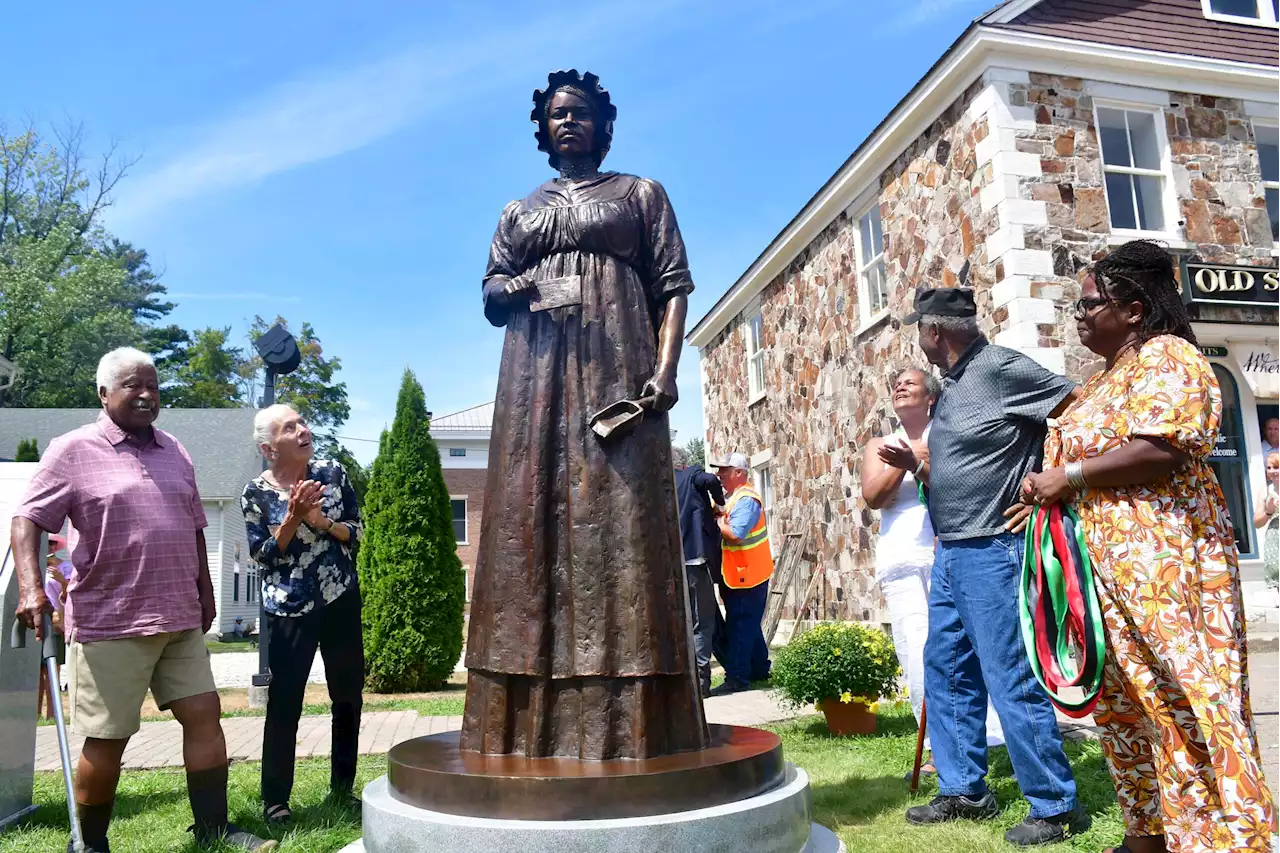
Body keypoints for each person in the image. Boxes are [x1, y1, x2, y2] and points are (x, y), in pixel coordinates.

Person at [461, 70, 708, 759]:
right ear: (543, 130)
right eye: (557, 114)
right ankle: (525, 715)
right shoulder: (519, 209)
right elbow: (490, 290)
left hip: (616, 372)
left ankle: (633, 713)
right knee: (528, 523)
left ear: (604, 124)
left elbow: (674, 287)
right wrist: (514, 285)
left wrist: (664, 373)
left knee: (622, 527)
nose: (568, 121)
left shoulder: (640, 195)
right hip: (534, 382)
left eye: (582, 112)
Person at [1023, 240, 1274, 853]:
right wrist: (1044, 490)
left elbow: (1167, 446)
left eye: (1090, 304)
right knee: (1128, 700)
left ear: (1133, 309)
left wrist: (1070, 477)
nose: (1079, 316)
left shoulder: (1170, 357)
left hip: (1164, 560)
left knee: (1187, 692)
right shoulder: (1104, 380)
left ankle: (1226, 835)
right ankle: (1151, 833)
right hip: (1105, 567)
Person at [11, 347, 274, 853]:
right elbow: (27, 519)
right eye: (134, 385)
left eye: (153, 385)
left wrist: (205, 588)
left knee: (204, 716)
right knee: (108, 738)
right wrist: (29, 587)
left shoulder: (174, 449)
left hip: (178, 615)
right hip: (111, 620)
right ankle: (89, 843)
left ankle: (215, 829)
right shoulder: (73, 450)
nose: (148, 394)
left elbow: (196, 526)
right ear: (104, 393)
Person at [896, 288, 1087, 846]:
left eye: (920, 333)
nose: (920, 344)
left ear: (936, 332)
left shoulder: (1002, 367)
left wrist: (1048, 488)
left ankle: (1055, 804)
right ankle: (965, 791)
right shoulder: (952, 385)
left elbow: (1077, 412)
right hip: (952, 551)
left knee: (1009, 676)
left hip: (995, 551)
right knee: (948, 670)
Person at [861, 367, 1005, 778]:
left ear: (931, 397)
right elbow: (874, 496)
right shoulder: (879, 444)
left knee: (972, 645)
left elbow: (964, 484)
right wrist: (909, 460)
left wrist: (925, 458)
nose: (900, 386)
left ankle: (992, 737)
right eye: (895, 384)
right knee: (918, 651)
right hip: (903, 557)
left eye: (910, 382)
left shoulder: (949, 434)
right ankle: (940, 746)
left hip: (951, 547)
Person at [241, 403, 365, 825]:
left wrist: (322, 521)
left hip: (339, 597)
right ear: (269, 446)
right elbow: (264, 555)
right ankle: (275, 799)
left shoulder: (332, 473)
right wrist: (293, 519)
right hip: (289, 608)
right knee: (285, 702)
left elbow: (357, 532)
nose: (302, 430)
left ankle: (343, 788)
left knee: (347, 696)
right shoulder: (254, 493)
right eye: (289, 427)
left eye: (302, 423)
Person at [708, 453, 774, 697]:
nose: (719, 475)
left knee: (740, 626)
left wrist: (717, 523)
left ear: (739, 473)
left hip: (749, 575)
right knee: (748, 625)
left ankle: (737, 678)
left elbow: (736, 534)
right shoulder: (732, 498)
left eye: (724, 471)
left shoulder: (747, 500)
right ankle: (759, 669)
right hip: (739, 574)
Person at [674, 447, 726, 697]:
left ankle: (683, 682)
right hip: (696, 560)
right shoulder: (691, 475)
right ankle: (701, 684)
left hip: (673, 564)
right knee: (702, 622)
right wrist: (721, 504)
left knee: (680, 622)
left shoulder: (662, 481)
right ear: (683, 464)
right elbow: (710, 480)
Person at [1255, 451, 1280, 590]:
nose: (1272, 471)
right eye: (1269, 467)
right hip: (1274, 537)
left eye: (1276, 467)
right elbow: (1257, 523)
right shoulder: (1265, 490)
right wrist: (1269, 512)